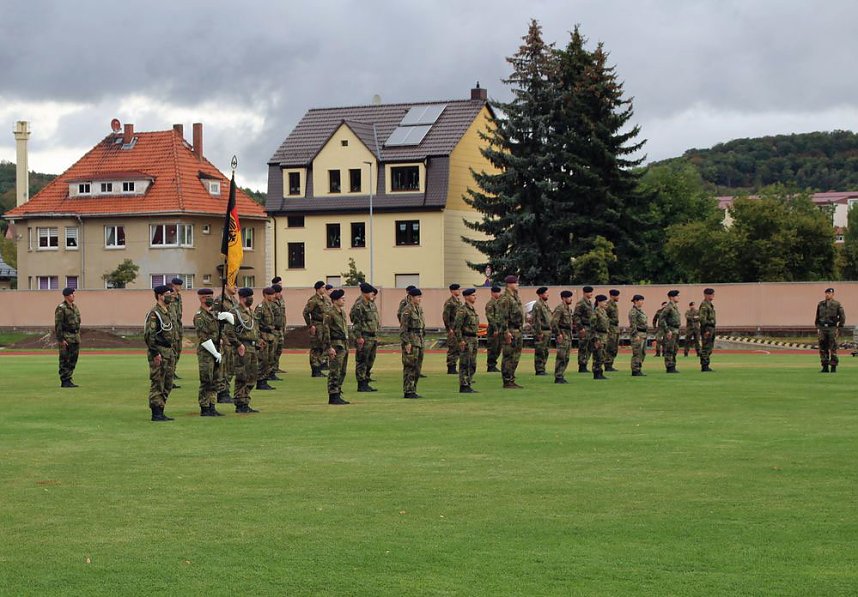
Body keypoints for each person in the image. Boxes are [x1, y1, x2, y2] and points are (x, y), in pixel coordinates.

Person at [144, 285, 177, 421]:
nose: (169, 296)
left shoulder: (168, 311)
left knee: (168, 382)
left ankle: (161, 408)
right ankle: (156, 412)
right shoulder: (154, 313)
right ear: (159, 296)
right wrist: (154, 352)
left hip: (169, 351)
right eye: (167, 294)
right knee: (158, 382)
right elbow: (149, 335)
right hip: (159, 351)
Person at [224, 287, 261, 413]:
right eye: (248, 297)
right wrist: (238, 344)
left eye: (251, 296)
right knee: (242, 375)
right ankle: (240, 403)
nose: (250, 299)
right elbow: (228, 331)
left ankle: (245, 399)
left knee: (253, 375)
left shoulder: (250, 312)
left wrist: (259, 341)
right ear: (242, 298)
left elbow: (254, 329)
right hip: (242, 347)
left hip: (252, 347)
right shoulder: (235, 312)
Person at [194, 288, 224, 417]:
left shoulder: (213, 315)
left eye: (211, 296)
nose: (210, 299)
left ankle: (212, 405)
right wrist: (215, 352)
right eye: (207, 297)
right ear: (201, 298)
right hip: (206, 353)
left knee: (215, 380)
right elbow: (203, 338)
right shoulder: (200, 316)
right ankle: (204, 407)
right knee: (207, 380)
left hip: (216, 350)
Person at [320, 289, 350, 405]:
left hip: (343, 344)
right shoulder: (329, 313)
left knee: (342, 370)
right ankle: (333, 394)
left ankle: (338, 391)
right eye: (342, 299)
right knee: (335, 370)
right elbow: (326, 331)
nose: (344, 300)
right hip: (335, 344)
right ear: (335, 300)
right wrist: (329, 347)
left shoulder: (341, 313)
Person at [350, 282, 380, 392]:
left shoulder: (371, 304)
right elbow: (356, 323)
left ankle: (366, 380)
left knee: (370, 360)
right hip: (364, 336)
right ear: (364, 293)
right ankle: (361, 383)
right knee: (362, 361)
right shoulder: (359, 305)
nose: (373, 294)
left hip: (372, 337)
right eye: (370, 292)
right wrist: (359, 337)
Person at [497, 275, 524, 389]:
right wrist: (506, 332)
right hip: (510, 330)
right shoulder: (505, 299)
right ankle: (507, 380)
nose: (517, 285)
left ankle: (511, 379)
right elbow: (502, 317)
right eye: (516, 283)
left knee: (515, 357)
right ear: (509, 284)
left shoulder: (515, 297)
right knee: (508, 356)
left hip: (517, 330)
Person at [214, 284, 238, 403]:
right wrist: (220, 337)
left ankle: (226, 390)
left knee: (231, 367)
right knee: (223, 368)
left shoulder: (234, 301)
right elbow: (215, 319)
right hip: (224, 339)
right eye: (233, 284)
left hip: (233, 338)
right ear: (225, 286)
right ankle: (222, 392)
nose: (236, 287)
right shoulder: (220, 301)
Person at [400, 287, 425, 398]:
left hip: (419, 340)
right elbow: (403, 329)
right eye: (417, 297)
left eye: (420, 297)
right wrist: (407, 343)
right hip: (411, 340)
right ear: (411, 297)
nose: (420, 299)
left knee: (417, 367)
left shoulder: (418, 309)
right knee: (410, 366)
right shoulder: (407, 310)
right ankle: (408, 390)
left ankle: (413, 389)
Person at [454, 288, 480, 393]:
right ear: (466, 297)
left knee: (472, 363)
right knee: (465, 362)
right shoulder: (462, 310)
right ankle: (464, 385)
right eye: (473, 295)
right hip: (466, 338)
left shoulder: (472, 309)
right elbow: (457, 327)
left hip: (473, 338)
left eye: (475, 295)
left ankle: (468, 382)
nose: (475, 297)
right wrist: (460, 340)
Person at [55, 287, 81, 388]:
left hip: (75, 337)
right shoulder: (61, 308)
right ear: (67, 296)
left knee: (73, 359)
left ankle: (69, 378)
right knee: (65, 359)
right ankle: (64, 380)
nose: (74, 295)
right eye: (72, 294)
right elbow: (58, 324)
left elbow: (78, 322)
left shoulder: (74, 307)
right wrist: (61, 339)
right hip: (66, 336)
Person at [815, 287, 845, 373]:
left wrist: (839, 328)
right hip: (822, 328)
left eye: (829, 293)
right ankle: (825, 366)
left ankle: (833, 366)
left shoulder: (837, 304)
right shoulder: (821, 304)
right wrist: (817, 327)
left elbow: (842, 317)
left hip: (832, 328)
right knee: (822, 347)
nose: (827, 294)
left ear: (833, 294)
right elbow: (817, 316)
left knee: (833, 347)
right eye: (826, 293)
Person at [303, 281, 329, 377]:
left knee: (322, 346)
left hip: (324, 326)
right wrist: (310, 325)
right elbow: (305, 313)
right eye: (322, 287)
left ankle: (320, 366)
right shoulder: (313, 300)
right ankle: (315, 369)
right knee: (315, 347)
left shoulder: (326, 300)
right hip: (317, 325)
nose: (324, 289)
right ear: (318, 288)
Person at [254, 287, 277, 390]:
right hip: (263, 336)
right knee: (263, 360)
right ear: (265, 295)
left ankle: (265, 380)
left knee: (269, 360)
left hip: (270, 337)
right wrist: (259, 338)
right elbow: (256, 324)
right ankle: (260, 381)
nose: (273, 296)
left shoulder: (271, 306)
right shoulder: (260, 307)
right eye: (271, 294)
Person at [551, 290, 574, 384]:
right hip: (563, 334)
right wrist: (558, 334)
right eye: (569, 297)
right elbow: (554, 322)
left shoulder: (568, 309)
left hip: (568, 334)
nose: (571, 299)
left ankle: (561, 374)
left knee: (566, 357)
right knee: (561, 356)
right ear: (564, 298)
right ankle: (558, 376)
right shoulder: (560, 308)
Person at [531, 287, 552, 376]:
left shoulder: (545, 304)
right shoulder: (538, 305)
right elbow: (537, 320)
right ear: (540, 295)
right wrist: (538, 332)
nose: (547, 294)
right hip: (542, 331)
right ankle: (539, 369)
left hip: (547, 331)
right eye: (545, 293)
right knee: (540, 351)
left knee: (545, 351)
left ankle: (542, 367)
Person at [573, 286, 595, 373]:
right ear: (585, 293)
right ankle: (582, 365)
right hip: (584, 327)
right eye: (589, 292)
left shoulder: (591, 303)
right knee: (583, 347)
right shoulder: (581, 303)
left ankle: (585, 363)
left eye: (591, 292)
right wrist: (580, 328)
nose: (591, 294)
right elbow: (576, 316)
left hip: (590, 328)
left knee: (589, 347)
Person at [660, 290, 682, 373]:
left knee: (675, 348)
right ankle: (669, 366)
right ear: (671, 297)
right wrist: (667, 330)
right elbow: (662, 319)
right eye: (677, 296)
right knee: (669, 349)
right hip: (671, 330)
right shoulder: (668, 307)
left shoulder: (675, 306)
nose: (678, 297)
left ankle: (673, 365)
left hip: (676, 330)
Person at [443, 283, 463, 374]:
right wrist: (449, 328)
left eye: (459, 289)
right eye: (457, 289)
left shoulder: (458, 301)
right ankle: (451, 367)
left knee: (458, 347)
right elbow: (445, 316)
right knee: (453, 348)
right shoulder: (449, 302)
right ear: (452, 291)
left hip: (458, 328)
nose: (459, 291)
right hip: (452, 328)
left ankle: (454, 366)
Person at [590, 295, 611, 379]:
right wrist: (596, 339)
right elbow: (593, 326)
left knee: (602, 355)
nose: (606, 303)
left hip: (604, 335)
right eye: (604, 302)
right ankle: (596, 372)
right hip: (598, 335)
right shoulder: (596, 312)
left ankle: (600, 372)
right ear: (599, 302)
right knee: (597, 355)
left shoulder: (603, 312)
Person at [168, 277, 184, 382]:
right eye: (178, 285)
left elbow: (179, 313)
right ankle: (169, 373)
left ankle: (173, 371)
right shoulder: (169, 296)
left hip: (178, 326)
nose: (179, 287)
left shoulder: (179, 297)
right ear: (173, 285)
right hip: (171, 328)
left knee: (178, 350)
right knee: (172, 352)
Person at [628, 294, 648, 376]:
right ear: (636, 301)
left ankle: (639, 368)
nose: (642, 302)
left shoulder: (640, 311)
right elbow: (633, 324)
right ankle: (635, 370)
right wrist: (635, 335)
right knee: (637, 352)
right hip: (638, 334)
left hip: (643, 333)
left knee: (642, 353)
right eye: (641, 300)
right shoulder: (633, 311)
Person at [698, 289, 717, 372]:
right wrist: (707, 329)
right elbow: (702, 319)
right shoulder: (704, 305)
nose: (713, 296)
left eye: (713, 294)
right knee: (706, 347)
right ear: (706, 295)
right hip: (707, 328)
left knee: (709, 347)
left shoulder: (710, 305)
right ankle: (704, 365)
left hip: (711, 328)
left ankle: (706, 364)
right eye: (711, 294)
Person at [484, 286, 502, 372]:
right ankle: (491, 366)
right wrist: (495, 328)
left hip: (499, 328)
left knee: (498, 347)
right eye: (496, 292)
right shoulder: (490, 304)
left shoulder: (499, 303)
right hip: (493, 329)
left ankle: (493, 364)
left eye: (499, 292)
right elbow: (490, 317)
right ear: (492, 293)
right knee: (493, 348)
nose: (498, 294)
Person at [271, 279, 286, 377]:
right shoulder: (271, 304)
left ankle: (275, 368)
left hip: (280, 329)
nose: (280, 294)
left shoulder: (280, 302)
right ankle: (270, 371)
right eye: (278, 292)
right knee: (272, 351)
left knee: (279, 350)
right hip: (273, 330)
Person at [604, 289, 621, 372]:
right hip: (610, 329)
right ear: (612, 296)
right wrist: (612, 322)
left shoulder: (614, 305)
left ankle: (610, 364)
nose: (618, 297)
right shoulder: (608, 305)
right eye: (617, 295)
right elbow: (604, 317)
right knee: (610, 347)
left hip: (615, 329)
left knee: (614, 348)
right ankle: (607, 364)